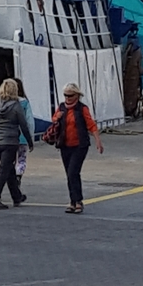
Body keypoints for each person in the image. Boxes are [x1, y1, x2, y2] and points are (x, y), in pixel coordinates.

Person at [51, 82, 104, 214]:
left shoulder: (82, 108)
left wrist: (98, 141)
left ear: (77, 95)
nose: (67, 98)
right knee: (69, 173)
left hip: (80, 145)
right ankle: (73, 201)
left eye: (70, 95)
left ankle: (78, 200)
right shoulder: (62, 107)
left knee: (73, 172)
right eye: (65, 95)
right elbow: (54, 119)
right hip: (65, 144)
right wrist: (56, 118)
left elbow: (91, 125)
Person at [0, 78, 34, 209]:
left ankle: (17, 196)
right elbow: (23, 125)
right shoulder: (16, 106)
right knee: (3, 171)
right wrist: (30, 141)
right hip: (10, 141)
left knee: (9, 169)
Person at [14, 78, 35, 191]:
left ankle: (11, 178)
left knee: (10, 160)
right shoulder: (25, 103)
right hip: (22, 137)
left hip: (9, 138)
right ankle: (18, 175)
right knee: (21, 159)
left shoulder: (2, 103)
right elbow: (29, 121)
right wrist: (30, 137)